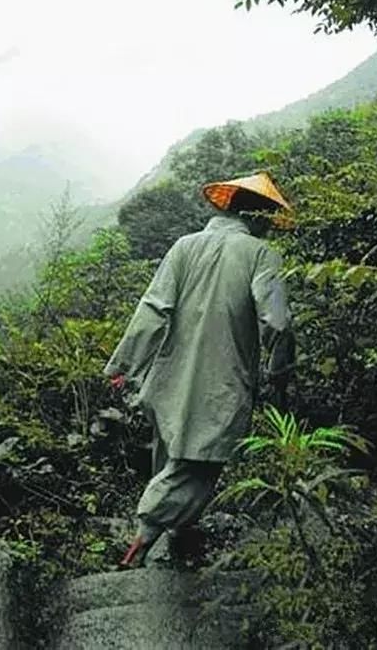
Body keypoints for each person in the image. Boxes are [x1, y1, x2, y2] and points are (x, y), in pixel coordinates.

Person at [104, 171, 296, 567]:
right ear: (259, 217)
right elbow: (277, 322)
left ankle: (180, 536)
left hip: (167, 378)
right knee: (197, 465)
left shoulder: (184, 247)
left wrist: (125, 365)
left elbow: (154, 308)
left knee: (170, 456)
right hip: (221, 382)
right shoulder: (261, 254)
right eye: (269, 218)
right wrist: (279, 375)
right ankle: (141, 540)